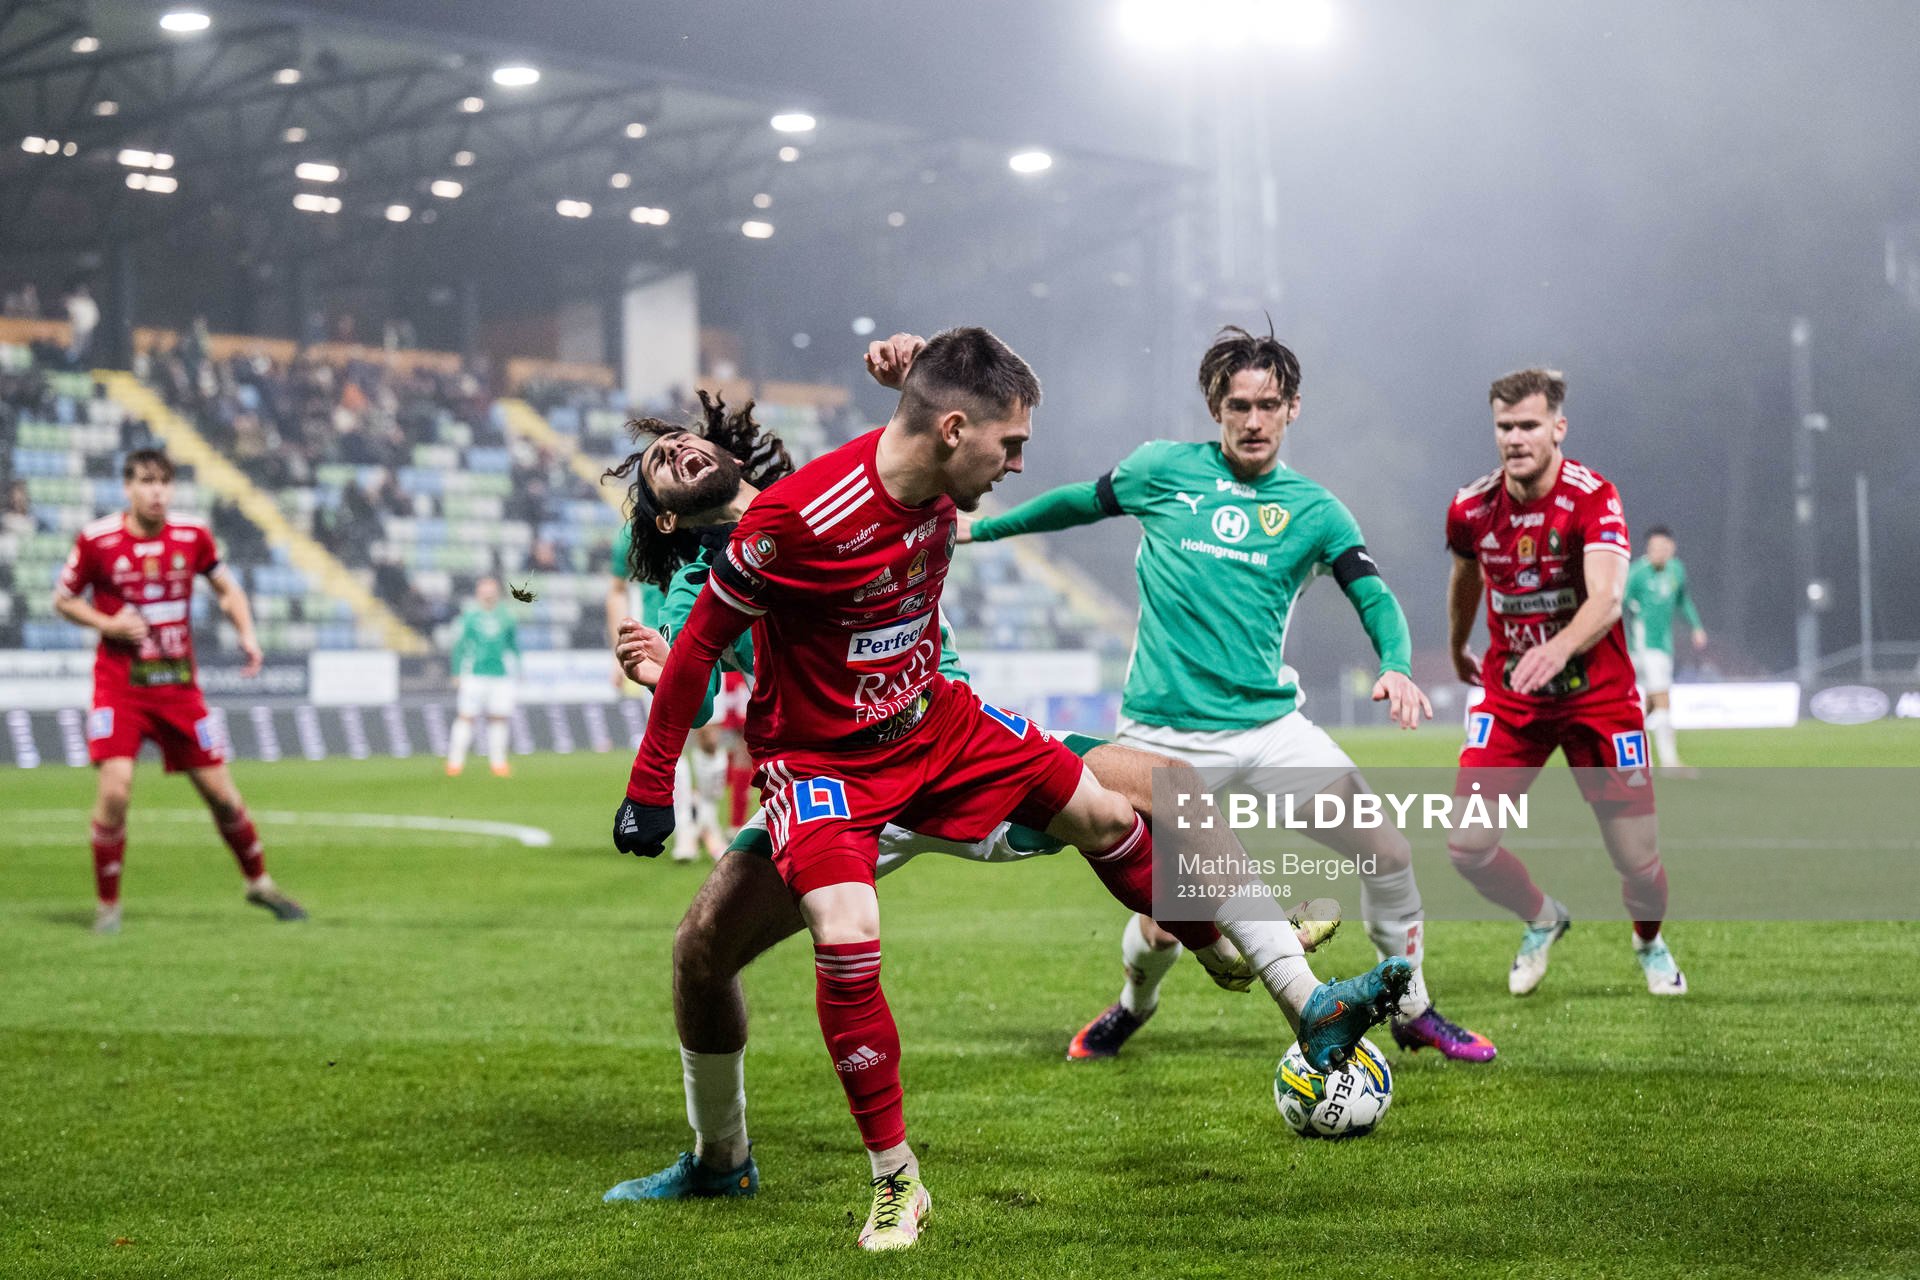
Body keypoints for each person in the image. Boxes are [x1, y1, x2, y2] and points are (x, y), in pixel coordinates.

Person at [609, 329, 1408, 1251]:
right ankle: (726, 1161)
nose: (676, 449)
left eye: (680, 438)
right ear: (668, 521)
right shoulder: (733, 558)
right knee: (703, 951)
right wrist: (659, 702)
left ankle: (1282, 981)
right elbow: (701, 673)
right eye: (659, 468)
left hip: (938, 734)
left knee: (1153, 795)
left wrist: (912, 367)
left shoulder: (895, 475)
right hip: (833, 771)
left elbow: (927, 431)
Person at [963, 325, 1494, 1063]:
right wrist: (983, 531)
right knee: (1166, 921)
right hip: (1162, 737)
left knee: (1388, 850)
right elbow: (1077, 503)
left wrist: (1397, 662)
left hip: (1271, 728)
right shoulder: (1161, 471)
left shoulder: (1317, 511)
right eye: (1238, 404)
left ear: (1292, 409)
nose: (1253, 420)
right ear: (1216, 407)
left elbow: (1370, 595)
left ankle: (1414, 1009)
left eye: (1268, 404)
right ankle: (1132, 1006)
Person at [1444, 368, 1686, 997]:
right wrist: (1455, 643)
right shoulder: (1472, 506)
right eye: (1504, 427)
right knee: (1466, 845)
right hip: (1511, 694)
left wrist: (1556, 649)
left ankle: (1649, 941)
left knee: (1638, 860)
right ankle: (1542, 916)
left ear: (1558, 427)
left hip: (1598, 697)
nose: (1515, 438)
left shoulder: (1592, 496)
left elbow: (1606, 598)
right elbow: (1467, 574)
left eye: (1528, 425)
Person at [53, 448, 306, 934]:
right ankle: (108, 908)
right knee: (116, 790)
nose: (157, 492)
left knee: (224, 797)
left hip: (178, 688)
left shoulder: (192, 536)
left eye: (165, 482)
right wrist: (107, 622)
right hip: (121, 687)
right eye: (147, 482)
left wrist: (247, 634)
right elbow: (62, 599)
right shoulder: (98, 540)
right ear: (127, 487)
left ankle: (259, 883)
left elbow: (227, 588)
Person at [1624, 526, 1706, 769]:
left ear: (1672, 548)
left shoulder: (1676, 570)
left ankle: (1618, 744)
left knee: (1650, 702)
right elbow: (1620, 603)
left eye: (1663, 547)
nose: (1659, 552)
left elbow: (1684, 600)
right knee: (1662, 699)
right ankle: (1670, 761)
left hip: (1663, 644)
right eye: (1654, 548)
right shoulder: (1637, 572)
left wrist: (1696, 627)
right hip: (1643, 646)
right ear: (1647, 549)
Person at [446, 577, 519, 778]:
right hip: (474, 674)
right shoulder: (469, 617)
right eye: (484, 591)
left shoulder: (506, 617)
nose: (488, 594)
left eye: (491, 591)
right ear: (478, 593)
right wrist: (456, 671)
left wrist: (518, 668)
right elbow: (460, 646)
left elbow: (513, 646)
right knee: (466, 716)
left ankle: (498, 763)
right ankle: (455, 762)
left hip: (500, 675)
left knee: (499, 718)